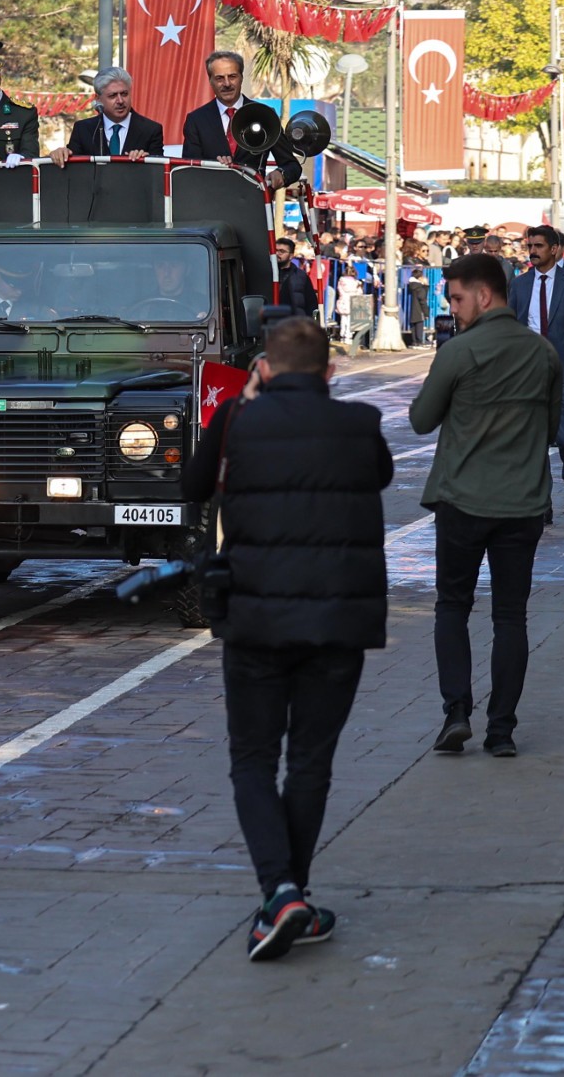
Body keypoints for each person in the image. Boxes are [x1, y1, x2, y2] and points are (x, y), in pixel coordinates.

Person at [183, 316, 392, 960]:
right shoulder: (360, 426)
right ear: (330, 373)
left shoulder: (238, 423)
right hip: (338, 624)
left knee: (251, 759)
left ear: (265, 370)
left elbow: (192, 489)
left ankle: (281, 892)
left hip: (258, 621)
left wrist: (240, 408)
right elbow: (380, 476)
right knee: (311, 762)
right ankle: (290, 894)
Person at [408, 253, 561, 756]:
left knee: (453, 605)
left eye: (456, 297)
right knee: (510, 617)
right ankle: (502, 730)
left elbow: (421, 420)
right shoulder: (543, 354)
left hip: (464, 502)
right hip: (522, 504)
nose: (453, 307)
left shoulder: (460, 351)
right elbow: (554, 425)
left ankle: (456, 712)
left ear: (484, 295)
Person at [509, 226, 564, 517]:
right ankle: (542, 502)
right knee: (534, 440)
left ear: (554, 249)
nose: (533, 251)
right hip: (529, 373)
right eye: (530, 245)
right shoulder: (520, 285)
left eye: (538, 246)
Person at [181, 50, 301, 187]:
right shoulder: (196, 120)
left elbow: (292, 166)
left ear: (241, 77)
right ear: (210, 81)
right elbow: (188, 169)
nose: (227, 84)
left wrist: (281, 174)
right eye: (219, 78)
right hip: (211, 203)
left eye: (232, 76)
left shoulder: (265, 115)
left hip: (253, 201)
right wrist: (213, 166)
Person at [50, 66, 165, 163]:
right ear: (98, 99)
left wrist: (145, 161)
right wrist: (60, 154)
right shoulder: (83, 129)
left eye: (124, 94)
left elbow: (158, 174)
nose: (120, 101)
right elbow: (73, 169)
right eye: (112, 96)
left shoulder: (150, 130)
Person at [274, 239, 319, 317]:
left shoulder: (301, 276)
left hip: (294, 321)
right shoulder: (266, 273)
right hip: (271, 319)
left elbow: (311, 303)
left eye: (282, 251)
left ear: (291, 255)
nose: (277, 254)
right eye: (275, 250)